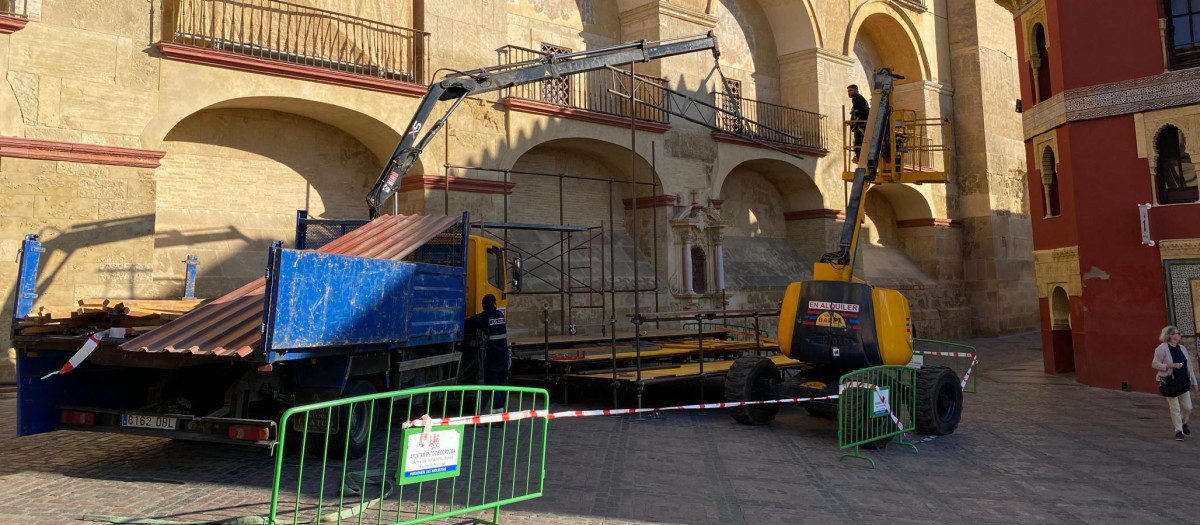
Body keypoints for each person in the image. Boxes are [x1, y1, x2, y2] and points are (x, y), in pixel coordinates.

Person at [1152, 325, 1198, 441]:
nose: (1179, 335)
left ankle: (1184, 423)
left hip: (1183, 381)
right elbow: (1155, 364)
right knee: (1175, 408)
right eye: (1177, 333)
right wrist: (1170, 366)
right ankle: (1178, 431)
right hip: (1169, 382)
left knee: (1188, 407)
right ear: (1171, 336)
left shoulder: (1182, 348)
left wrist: (1194, 382)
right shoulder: (1161, 349)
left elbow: (1189, 366)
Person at [466, 294, 509, 414]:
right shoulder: (500, 316)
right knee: (502, 383)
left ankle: (498, 415)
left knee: (493, 384)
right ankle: (502, 412)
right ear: (495, 304)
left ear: (483, 306)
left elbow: (468, 324)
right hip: (503, 356)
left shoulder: (484, 318)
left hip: (493, 357)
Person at [848, 84, 870, 162]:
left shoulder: (859, 99)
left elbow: (864, 111)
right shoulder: (856, 100)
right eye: (848, 91)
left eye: (851, 90)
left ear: (856, 90)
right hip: (859, 126)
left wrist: (855, 121)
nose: (849, 93)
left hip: (861, 126)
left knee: (858, 145)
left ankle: (860, 159)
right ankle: (860, 159)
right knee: (857, 145)